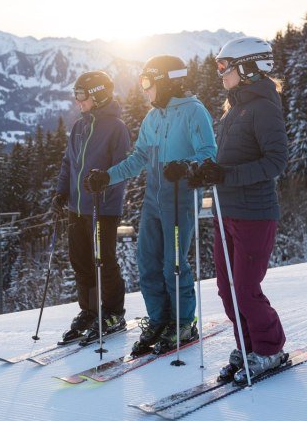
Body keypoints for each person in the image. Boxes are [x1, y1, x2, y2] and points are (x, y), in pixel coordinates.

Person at [84, 55, 216, 356]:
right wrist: (107, 177)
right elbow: (139, 159)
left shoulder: (194, 112)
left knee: (174, 264)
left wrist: (185, 166)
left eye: (148, 83)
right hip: (154, 201)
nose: (145, 90)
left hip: (180, 200)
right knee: (147, 263)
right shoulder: (153, 117)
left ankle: (183, 322)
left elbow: (209, 154)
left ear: (166, 81)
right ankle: (159, 320)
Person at [188, 36, 288, 384]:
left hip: (254, 214)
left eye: (224, 66)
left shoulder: (263, 107)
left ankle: (270, 348)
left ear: (247, 66)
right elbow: (228, 160)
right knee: (226, 289)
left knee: (245, 288)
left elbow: (276, 162)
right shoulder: (236, 107)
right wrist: (204, 171)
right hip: (226, 211)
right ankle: (247, 347)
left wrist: (225, 175)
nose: (220, 73)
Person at [53, 70, 131, 343]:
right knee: (81, 262)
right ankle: (90, 310)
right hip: (77, 208)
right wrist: (62, 192)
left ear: (97, 96)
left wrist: (105, 193)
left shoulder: (116, 128)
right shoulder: (79, 126)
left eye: (82, 96)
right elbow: (68, 163)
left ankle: (113, 312)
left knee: (104, 262)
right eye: (76, 96)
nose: (78, 102)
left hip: (102, 208)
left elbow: (122, 168)